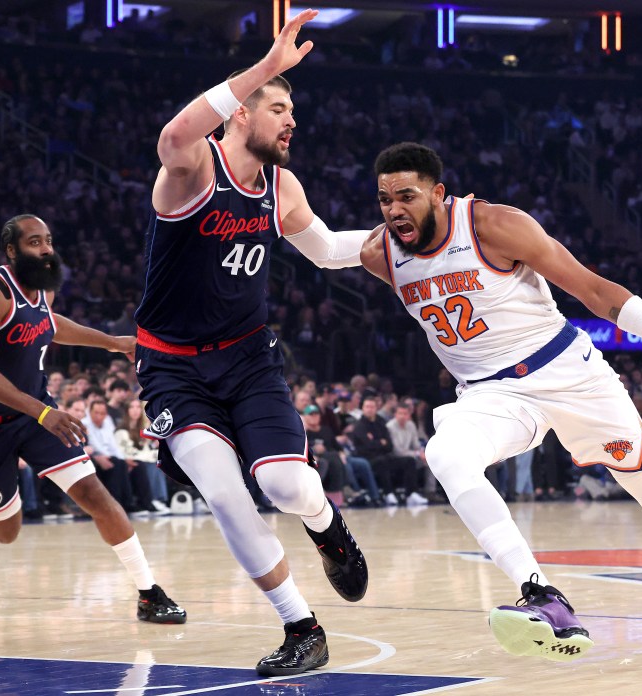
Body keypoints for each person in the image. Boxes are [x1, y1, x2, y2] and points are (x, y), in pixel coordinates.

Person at [357, 142, 642, 660]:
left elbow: (593, 290)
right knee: (446, 456)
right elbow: (321, 243)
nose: (395, 208)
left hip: (571, 376)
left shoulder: (494, 225)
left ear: (439, 194)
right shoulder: (380, 255)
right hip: (493, 395)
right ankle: (542, 595)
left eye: (407, 195)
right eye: (384, 200)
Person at [134, 9, 366, 676]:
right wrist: (265, 67)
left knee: (288, 486)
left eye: (293, 108)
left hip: (247, 360)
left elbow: (324, 251)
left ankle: (326, 526)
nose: (291, 120)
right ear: (241, 113)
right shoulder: (193, 170)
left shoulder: (279, 185)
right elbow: (174, 132)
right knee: (226, 492)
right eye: (278, 107)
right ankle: (304, 627)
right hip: (173, 369)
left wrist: (406, 242)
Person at [0, 214, 185, 625]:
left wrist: (111, 343)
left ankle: (148, 594)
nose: (46, 249)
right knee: (5, 530)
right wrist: (44, 412)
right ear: (12, 250)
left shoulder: (44, 290)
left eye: (49, 240)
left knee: (95, 495)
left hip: (35, 412)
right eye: (35, 242)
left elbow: (49, 327)